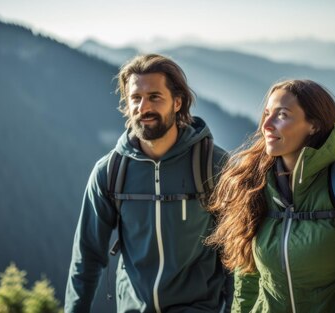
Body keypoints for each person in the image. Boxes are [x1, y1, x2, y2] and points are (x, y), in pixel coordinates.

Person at [205, 79, 335, 312]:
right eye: (267, 113)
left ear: (314, 125)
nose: (266, 125)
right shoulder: (254, 186)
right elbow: (247, 278)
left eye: (282, 115)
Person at [65, 54, 231, 313]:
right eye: (136, 98)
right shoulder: (110, 172)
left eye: (154, 97)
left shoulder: (214, 166)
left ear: (177, 102)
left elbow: (238, 254)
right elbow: (87, 258)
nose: (143, 107)